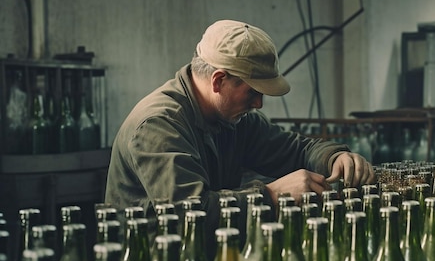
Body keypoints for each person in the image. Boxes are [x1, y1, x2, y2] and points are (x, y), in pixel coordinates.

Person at [104, 19, 375, 248]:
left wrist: (334, 157)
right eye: (252, 93)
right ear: (218, 80)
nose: (258, 104)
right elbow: (192, 216)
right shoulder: (158, 125)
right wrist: (270, 196)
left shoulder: (232, 119)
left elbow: (296, 149)